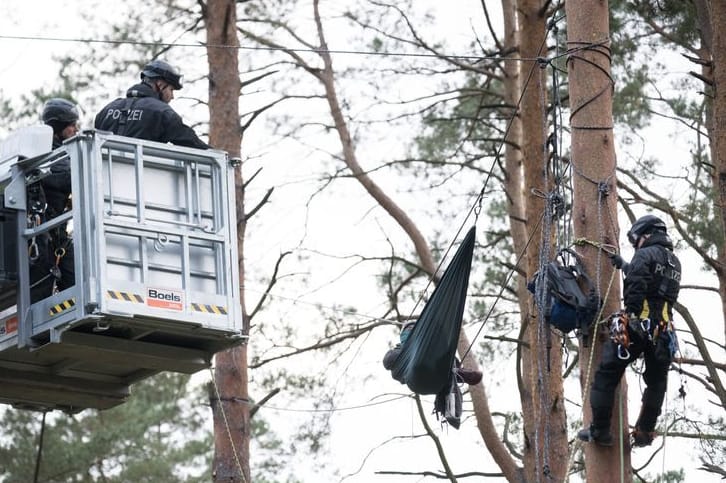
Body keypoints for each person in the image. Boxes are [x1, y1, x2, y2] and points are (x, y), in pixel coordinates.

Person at [578, 214, 681, 448]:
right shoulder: (674, 262)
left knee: (607, 372)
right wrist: (626, 266)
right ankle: (645, 430)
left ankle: (600, 430)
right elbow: (656, 285)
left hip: (638, 326)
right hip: (663, 332)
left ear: (647, 234)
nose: (636, 244)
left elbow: (637, 287)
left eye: (637, 239)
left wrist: (630, 315)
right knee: (656, 382)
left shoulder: (644, 254)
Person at [29, 98, 80, 301]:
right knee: (46, 293)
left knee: (75, 283)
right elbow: (71, 178)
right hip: (44, 240)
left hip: (55, 237)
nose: (76, 129)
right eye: (71, 125)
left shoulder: (56, 152)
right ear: (59, 127)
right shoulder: (53, 155)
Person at [94, 59, 209, 149]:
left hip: (105, 176)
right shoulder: (162, 112)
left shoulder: (106, 111)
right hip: (146, 177)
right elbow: (190, 141)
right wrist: (218, 155)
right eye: (171, 90)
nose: (172, 96)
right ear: (160, 84)